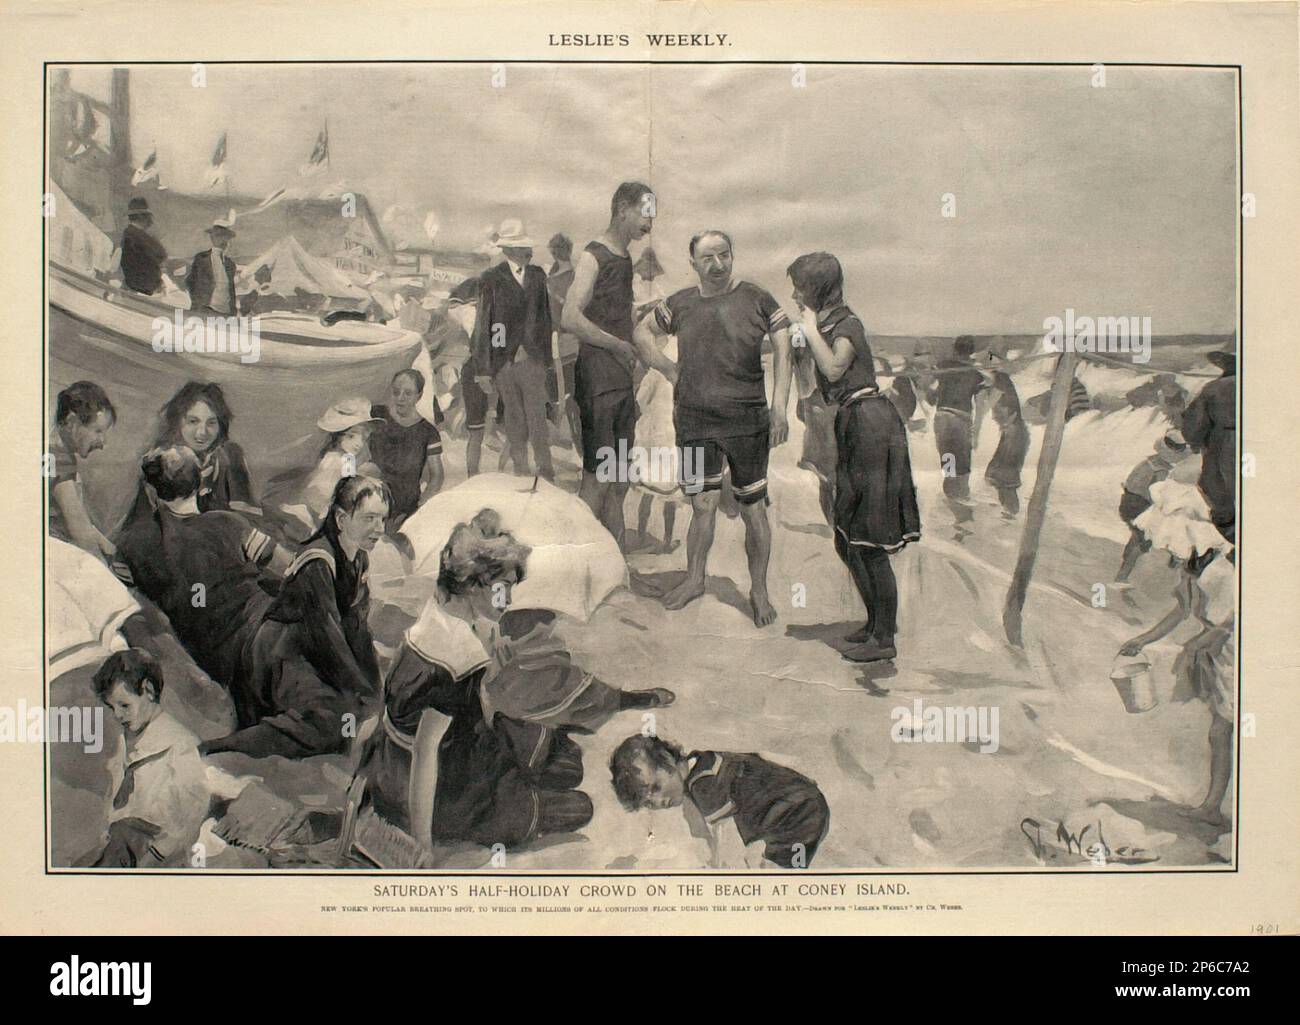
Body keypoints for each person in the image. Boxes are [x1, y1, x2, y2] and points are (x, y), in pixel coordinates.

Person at [356, 509, 671, 850]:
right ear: (474, 582)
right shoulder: (455, 657)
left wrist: (488, 663)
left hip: (428, 759)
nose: (508, 600)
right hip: (447, 790)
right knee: (581, 808)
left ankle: (513, 778)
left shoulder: (434, 619)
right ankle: (497, 804)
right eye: (501, 589)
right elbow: (425, 752)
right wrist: (422, 845)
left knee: (569, 762)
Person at [634, 230, 793, 626]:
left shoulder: (756, 297)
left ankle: (758, 589)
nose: (718, 264)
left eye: (724, 255)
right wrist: (669, 369)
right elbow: (641, 332)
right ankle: (694, 580)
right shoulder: (681, 303)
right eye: (708, 258)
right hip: (694, 419)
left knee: (753, 508)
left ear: (733, 257)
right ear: (694, 264)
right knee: (701, 505)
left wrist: (780, 407)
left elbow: (785, 339)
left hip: (747, 419)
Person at [789, 252, 919, 662]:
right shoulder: (827, 324)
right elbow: (813, 386)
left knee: (868, 539)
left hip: (871, 425)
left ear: (816, 288)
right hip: (851, 423)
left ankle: (885, 638)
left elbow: (833, 370)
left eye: (799, 286)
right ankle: (876, 623)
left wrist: (808, 330)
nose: (794, 293)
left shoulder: (846, 324)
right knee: (847, 538)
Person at [201, 476, 389, 760]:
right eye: (370, 518)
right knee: (332, 717)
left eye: (383, 520)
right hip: (281, 654)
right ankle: (219, 749)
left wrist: (375, 693)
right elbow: (327, 633)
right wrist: (359, 691)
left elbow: (356, 627)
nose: (379, 529)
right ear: (340, 518)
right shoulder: (317, 561)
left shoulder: (358, 557)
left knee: (359, 709)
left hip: (314, 651)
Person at [113, 446, 293, 690]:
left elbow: (131, 608)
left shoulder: (129, 545)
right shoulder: (228, 524)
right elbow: (292, 569)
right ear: (200, 484)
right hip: (263, 636)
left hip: (209, 659)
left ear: (150, 491)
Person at [1117, 480, 1235, 828]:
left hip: (1235, 656)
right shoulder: (1193, 570)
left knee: (1225, 730)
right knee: (1221, 730)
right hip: (1218, 656)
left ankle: (1216, 807)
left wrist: (1194, 646)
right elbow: (1181, 612)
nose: (1170, 552)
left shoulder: (1224, 571)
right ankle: (1212, 805)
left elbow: (1229, 624)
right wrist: (1144, 639)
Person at [563, 182, 655, 544]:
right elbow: (571, 317)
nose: (650, 223)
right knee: (597, 477)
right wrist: (617, 344)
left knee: (618, 480)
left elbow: (611, 311)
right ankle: (576, 562)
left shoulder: (624, 257)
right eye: (645, 213)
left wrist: (636, 315)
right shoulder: (593, 256)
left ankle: (615, 565)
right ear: (622, 209)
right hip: (598, 379)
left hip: (619, 380)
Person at [609, 733, 829, 869]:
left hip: (794, 816)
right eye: (647, 802)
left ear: (667, 760)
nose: (658, 801)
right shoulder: (700, 763)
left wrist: (719, 869)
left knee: (771, 880)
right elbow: (697, 825)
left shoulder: (705, 785)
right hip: (802, 802)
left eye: (656, 787)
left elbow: (726, 836)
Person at [84, 649, 209, 868]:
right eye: (112, 707)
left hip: (159, 853)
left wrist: (153, 857)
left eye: (124, 705)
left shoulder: (180, 745)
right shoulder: (125, 740)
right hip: (122, 847)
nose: (118, 715)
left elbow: (189, 817)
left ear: (148, 691)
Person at [470, 219, 556, 481]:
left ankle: (546, 471)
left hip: (533, 360)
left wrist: (546, 359)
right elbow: (484, 323)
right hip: (504, 363)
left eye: (527, 247)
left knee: (538, 420)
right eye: (521, 248)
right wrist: (485, 369)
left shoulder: (538, 275)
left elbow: (545, 318)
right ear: (508, 250)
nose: (527, 252)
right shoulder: (491, 279)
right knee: (514, 420)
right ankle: (521, 470)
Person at [119, 381, 258, 535]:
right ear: (178, 421)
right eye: (193, 421)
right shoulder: (162, 461)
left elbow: (247, 515)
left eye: (211, 423)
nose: (202, 432)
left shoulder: (230, 455)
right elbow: (140, 524)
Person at [266, 397, 382, 543]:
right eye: (352, 436)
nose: (358, 444)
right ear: (339, 435)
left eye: (363, 438)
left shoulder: (347, 459)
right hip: (315, 514)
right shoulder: (333, 459)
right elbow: (320, 493)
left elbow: (347, 487)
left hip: (328, 511)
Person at [927, 335, 987, 538]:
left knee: (948, 462)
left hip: (943, 417)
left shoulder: (943, 367)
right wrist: (977, 431)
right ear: (970, 351)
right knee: (962, 464)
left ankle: (953, 501)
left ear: (954, 349)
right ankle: (962, 515)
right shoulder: (976, 374)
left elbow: (930, 395)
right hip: (961, 420)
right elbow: (980, 406)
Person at [48, 380, 116, 561]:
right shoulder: (58, 461)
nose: (103, 442)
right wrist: (105, 569)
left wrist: (108, 547)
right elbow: (80, 531)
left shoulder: (58, 456)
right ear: (71, 422)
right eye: (98, 431)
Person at [369, 369, 444, 531]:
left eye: (408, 393)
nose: (400, 398)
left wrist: (421, 505)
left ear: (419, 395)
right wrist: (346, 482)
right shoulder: (376, 415)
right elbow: (348, 447)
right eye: (396, 392)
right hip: (370, 500)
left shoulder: (428, 432)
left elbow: (437, 476)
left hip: (405, 506)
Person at [1114, 430, 1190, 585]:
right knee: (1145, 537)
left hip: (1128, 501)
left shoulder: (1150, 461)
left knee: (1139, 537)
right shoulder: (1161, 470)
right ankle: (1122, 576)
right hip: (1139, 505)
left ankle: (1125, 571)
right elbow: (1159, 495)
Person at [631, 334, 684, 553]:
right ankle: (666, 540)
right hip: (670, 438)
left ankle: (642, 535)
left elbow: (641, 400)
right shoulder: (685, 375)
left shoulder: (653, 374)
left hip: (651, 436)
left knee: (647, 489)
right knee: (669, 493)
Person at [1181, 348, 1236, 544]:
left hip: (1223, 447)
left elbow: (1193, 427)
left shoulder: (1214, 388)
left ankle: (1232, 539)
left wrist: (1195, 442)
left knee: (1215, 488)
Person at [983, 354, 1030, 518]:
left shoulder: (1000, 379)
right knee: (999, 474)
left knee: (1004, 475)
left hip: (1014, 432)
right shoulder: (999, 380)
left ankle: (1010, 511)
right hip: (1011, 431)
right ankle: (1007, 509)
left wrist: (982, 414)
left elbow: (995, 400)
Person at [187, 216, 240, 316]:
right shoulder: (201, 259)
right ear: (212, 238)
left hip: (226, 313)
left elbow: (231, 290)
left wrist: (233, 311)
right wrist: (199, 303)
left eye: (226, 237)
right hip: (205, 310)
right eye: (219, 236)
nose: (223, 240)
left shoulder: (230, 264)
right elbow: (190, 282)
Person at [119, 197, 167, 296]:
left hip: (144, 288)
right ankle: (179, 312)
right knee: (178, 305)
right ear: (142, 217)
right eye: (148, 216)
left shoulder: (134, 234)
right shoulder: (134, 235)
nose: (151, 220)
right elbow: (161, 254)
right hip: (144, 290)